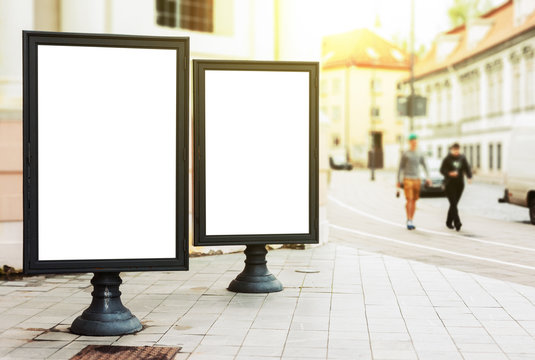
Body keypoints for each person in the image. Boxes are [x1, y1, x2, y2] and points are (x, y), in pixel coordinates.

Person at [397, 134, 431, 230]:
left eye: (415, 140)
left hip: (417, 179)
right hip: (407, 179)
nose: (414, 142)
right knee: (409, 199)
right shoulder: (405, 153)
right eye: (412, 141)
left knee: (414, 200)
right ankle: (409, 220)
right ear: (409, 142)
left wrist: (428, 177)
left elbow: (425, 165)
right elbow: (400, 167)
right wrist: (398, 180)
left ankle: (411, 219)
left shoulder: (420, 153)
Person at [440, 143, 472, 231]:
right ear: (451, 150)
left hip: (460, 184)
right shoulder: (447, 159)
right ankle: (457, 223)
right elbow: (442, 170)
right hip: (449, 184)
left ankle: (448, 222)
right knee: (453, 203)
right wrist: (449, 173)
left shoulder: (462, 158)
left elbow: (467, 168)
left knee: (454, 204)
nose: (456, 151)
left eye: (457, 149)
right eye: (454, 149)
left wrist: (469, 177)